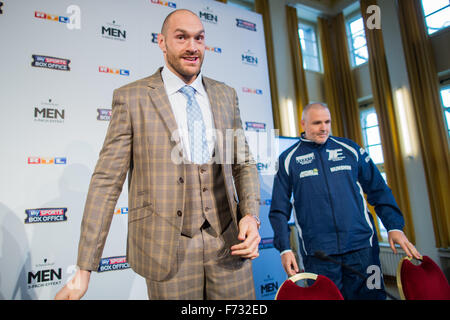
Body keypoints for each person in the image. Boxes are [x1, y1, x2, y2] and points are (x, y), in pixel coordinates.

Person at [55, 9, 261, 300]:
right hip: (168, 253)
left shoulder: (225, 95)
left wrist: (250, 216)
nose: (193, 47)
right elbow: (106, 183)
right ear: (162, 42)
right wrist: (84, 269)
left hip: (229, 244)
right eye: (182, 38)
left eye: (199, 38)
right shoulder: (132, 97)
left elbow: (244, 162)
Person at [269, 102, 421, 300]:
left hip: (362, 250)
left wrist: (394, 226)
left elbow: (378, 189)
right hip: (319, 255)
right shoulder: (288, 159)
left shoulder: (350, 149)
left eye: (327, 122)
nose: (324, 128)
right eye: (317, 123)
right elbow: (279, 209)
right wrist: (285, 248)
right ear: (303, 124)